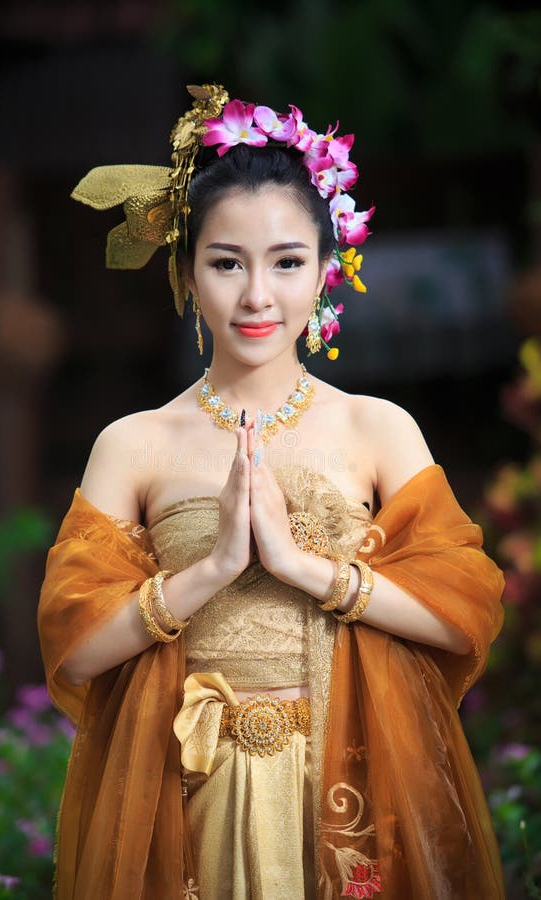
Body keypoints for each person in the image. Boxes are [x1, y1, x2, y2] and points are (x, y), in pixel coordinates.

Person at [37, 84, 506, 899]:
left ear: (328, 270)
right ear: (186, 271)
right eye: (227, 263)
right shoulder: (133, 443)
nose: (258, 297)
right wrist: (211, 569)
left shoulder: (376, 429)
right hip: (186, 789)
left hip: (351, 782)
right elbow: (74, 649)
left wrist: (303, 567)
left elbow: (464, 616)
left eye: (287, 262)